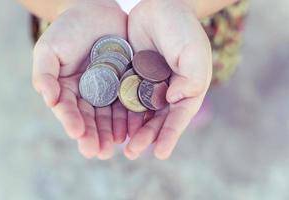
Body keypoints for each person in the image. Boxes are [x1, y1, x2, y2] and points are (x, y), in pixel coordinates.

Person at [19, 0, 247, 160]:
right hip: (72, 21)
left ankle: (177, 92)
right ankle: (168, 96)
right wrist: (65, 5)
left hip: (198, 15)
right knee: (184, 79)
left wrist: (183, 4)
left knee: (191, 73)